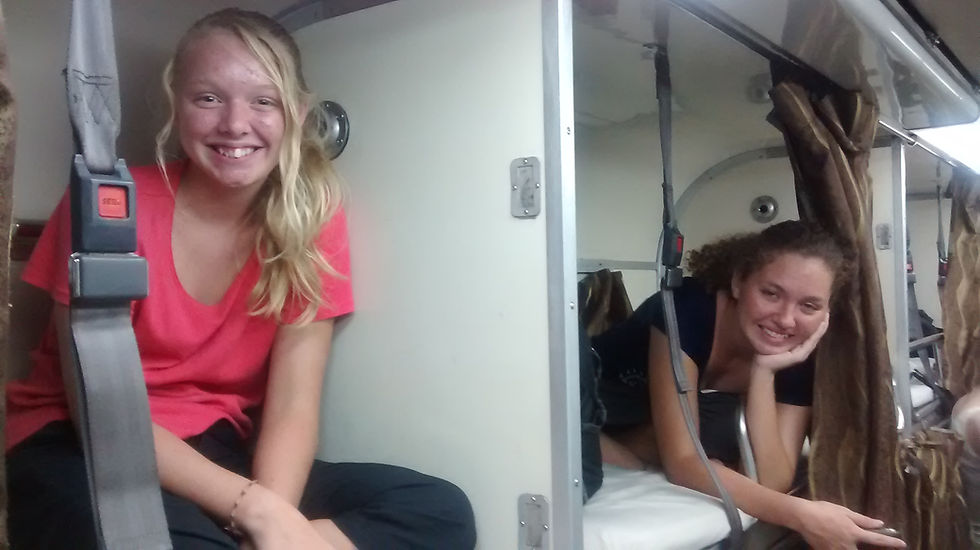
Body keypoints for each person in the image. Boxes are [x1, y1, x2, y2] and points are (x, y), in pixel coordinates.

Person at [5, 9, 476, 550]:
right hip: (78, 446)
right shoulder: (108, 207)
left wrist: (270, 518)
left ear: (296, 114)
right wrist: (252, 508)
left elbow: (294, 404)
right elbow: (99, 411)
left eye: (263, 101)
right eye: (208, 98)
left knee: (440, 511)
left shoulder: (311, 222)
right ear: (177, 106)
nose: (235, 124)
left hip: (218, 451)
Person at [593, 220, 906, 549]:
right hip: (586, 401)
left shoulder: (800, 352)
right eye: (771, 293)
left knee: (720, 428)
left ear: (827, 311)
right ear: (739, 282)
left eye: (809, 305)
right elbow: (683, 463)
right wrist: (801, 514)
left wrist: (763, 373)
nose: (786, 319)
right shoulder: (687, 309)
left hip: (642, 424)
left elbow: (770, 478)